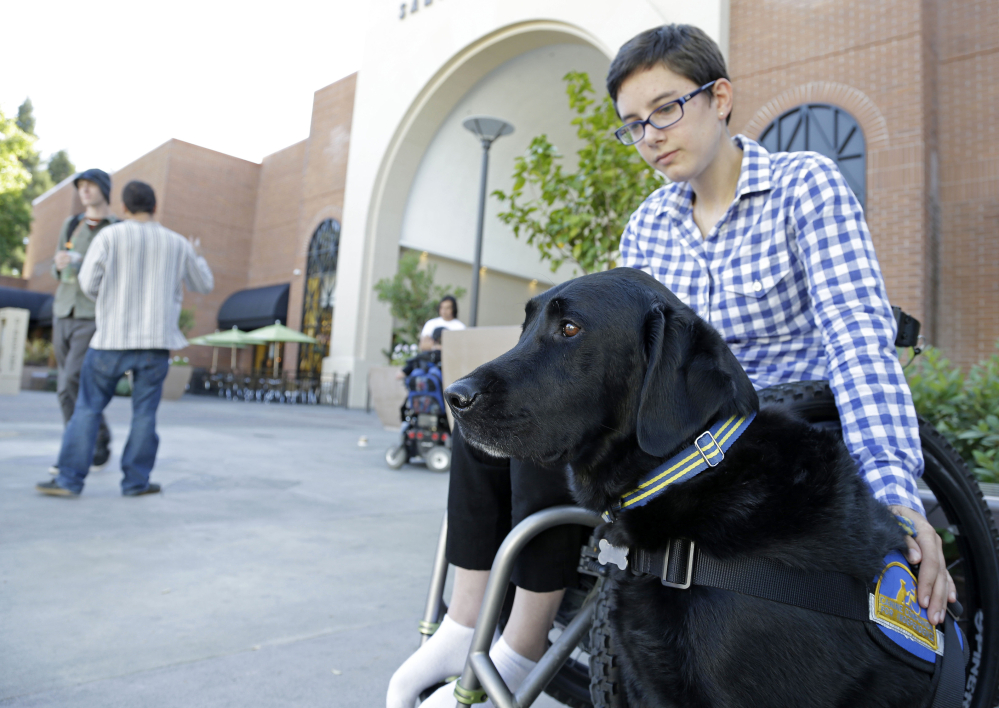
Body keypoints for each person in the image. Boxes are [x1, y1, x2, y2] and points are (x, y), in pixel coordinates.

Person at [389, 24, 955, 708]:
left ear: (719, 98)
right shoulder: (648, 224)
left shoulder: (804, 186)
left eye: (665, 109)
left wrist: (896, 497)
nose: (650, 135)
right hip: (677, 432)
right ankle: (466, 622)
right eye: (632, 124)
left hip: (773, 439)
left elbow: (857, 344)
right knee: (515, 417)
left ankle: (519, 646)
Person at [36, 180, 213, 497]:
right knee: (144, 414)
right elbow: (204, 284)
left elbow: (88, 283)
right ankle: (135, 482)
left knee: (87, 409)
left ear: (125, 208)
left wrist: (111, 300)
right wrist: (198, 256)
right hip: (156, 343)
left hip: (110, 340)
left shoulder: (110, 236)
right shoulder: (176, 243)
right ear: (155, 207)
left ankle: (68, 481)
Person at [48, 169, 117, 474]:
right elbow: (57, 267)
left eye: (90, 186)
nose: (84, 191)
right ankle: (98, 438)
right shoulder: (71, 224)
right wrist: (58, 264)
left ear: (104, 189)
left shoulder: (116, 229)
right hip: (63, 311)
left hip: (93, 314)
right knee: (71, 385)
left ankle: (73, 452)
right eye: (81, 187)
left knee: (68, 384)